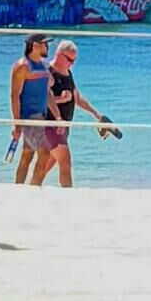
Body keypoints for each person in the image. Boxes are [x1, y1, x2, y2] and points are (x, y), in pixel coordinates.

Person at [41, 39, 121, 189]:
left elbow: (76, 97)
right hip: (51, 125)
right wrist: (60, 99)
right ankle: (68, 194)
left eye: (74, 60)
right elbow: (39, 99)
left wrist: (96, 114)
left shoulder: (67, 73)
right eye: (69, 59)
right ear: (59, 54)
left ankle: (30, 188)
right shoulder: (48, 73)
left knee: (47, 163)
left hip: (64, 127)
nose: (72, 64)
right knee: (65, 162)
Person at [11, 40, 57, 183]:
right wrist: (17, 123)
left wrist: (58, 116)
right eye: (45, 44)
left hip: (42, 116)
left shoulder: (44, 65)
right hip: (30, 116)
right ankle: (33, 188)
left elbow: (48, 91)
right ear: (35, 46)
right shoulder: (22, 66)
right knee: (44, 153)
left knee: (27, 154)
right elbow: (15, 95)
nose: (48, 47)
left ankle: (18, 188)